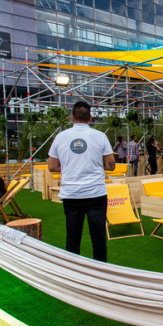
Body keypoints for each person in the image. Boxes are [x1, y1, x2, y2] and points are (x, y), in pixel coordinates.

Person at [48, 101, 115, 261]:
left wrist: (71, 167)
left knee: (73, 237)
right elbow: (111, 165)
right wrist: (93, 165)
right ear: (90, 118)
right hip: (96, 194)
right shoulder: (100, 136)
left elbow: (52, 166)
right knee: (98, 238)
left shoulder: (60, 137)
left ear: (72, 117)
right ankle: (101, 270)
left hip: (71, 194)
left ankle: (73, 270)